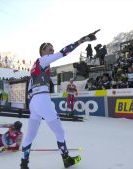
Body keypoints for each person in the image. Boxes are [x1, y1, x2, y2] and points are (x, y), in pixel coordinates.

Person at [20, 30, 99, 169]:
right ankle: (66, 159)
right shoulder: (43, 60)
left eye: (52, 48)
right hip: (42, 100)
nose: (52, 49)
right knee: (60, 132)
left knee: (30, 135)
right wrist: (83, 40)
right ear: (43, 50)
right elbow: (64, 52)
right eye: (49, 47)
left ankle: (23, 163)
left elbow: (31, 85)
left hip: (34, 102)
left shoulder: (37, 65)